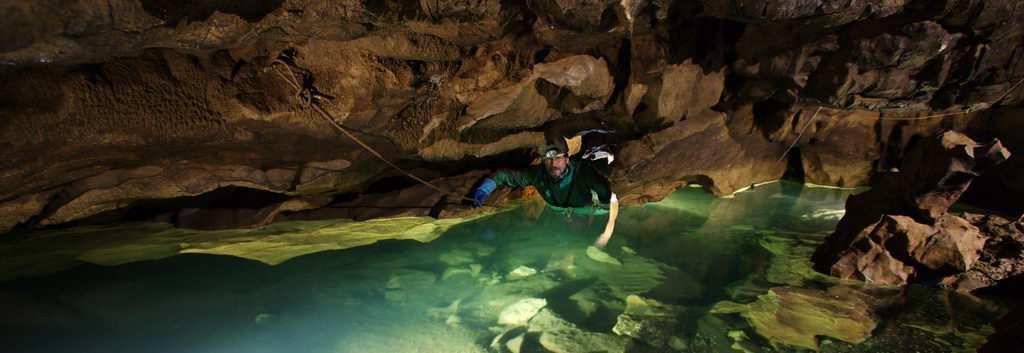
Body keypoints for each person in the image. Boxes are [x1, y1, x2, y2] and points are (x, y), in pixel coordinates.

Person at [470, 136, 619, 247]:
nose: (554, 164)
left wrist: (607, 232)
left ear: (567, 159)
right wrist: (484, 189)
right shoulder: (538, 174)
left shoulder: (584, 173)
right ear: (543, 161)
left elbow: (611, 198)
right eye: (548, 160)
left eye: (558, 159)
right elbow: (506, 176)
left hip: (585, 206)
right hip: (559, 211)